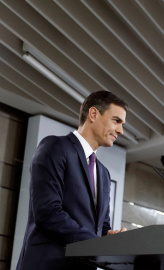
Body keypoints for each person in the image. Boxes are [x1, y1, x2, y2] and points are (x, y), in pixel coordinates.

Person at [17, 90, 128, 270]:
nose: (121, 130)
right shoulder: (55, 147)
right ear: (93, 114)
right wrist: (98, 243)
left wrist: (112, 239)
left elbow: (101, 228)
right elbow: (48, 212)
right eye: (116, 121)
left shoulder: (104, 173)